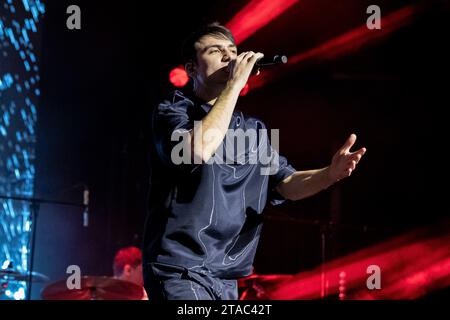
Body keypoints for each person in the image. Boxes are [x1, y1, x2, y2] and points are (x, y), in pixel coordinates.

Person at [143, 23, 366, 300]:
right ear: (191, 69)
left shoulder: (254, 130)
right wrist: (235, 84)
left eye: (232, 50)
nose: (229, 57)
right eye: (216, 51)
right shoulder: (173, 111)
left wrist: (329, 174)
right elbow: (197, 150)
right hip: (180, 268)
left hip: (226, 276)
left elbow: (286, 184)